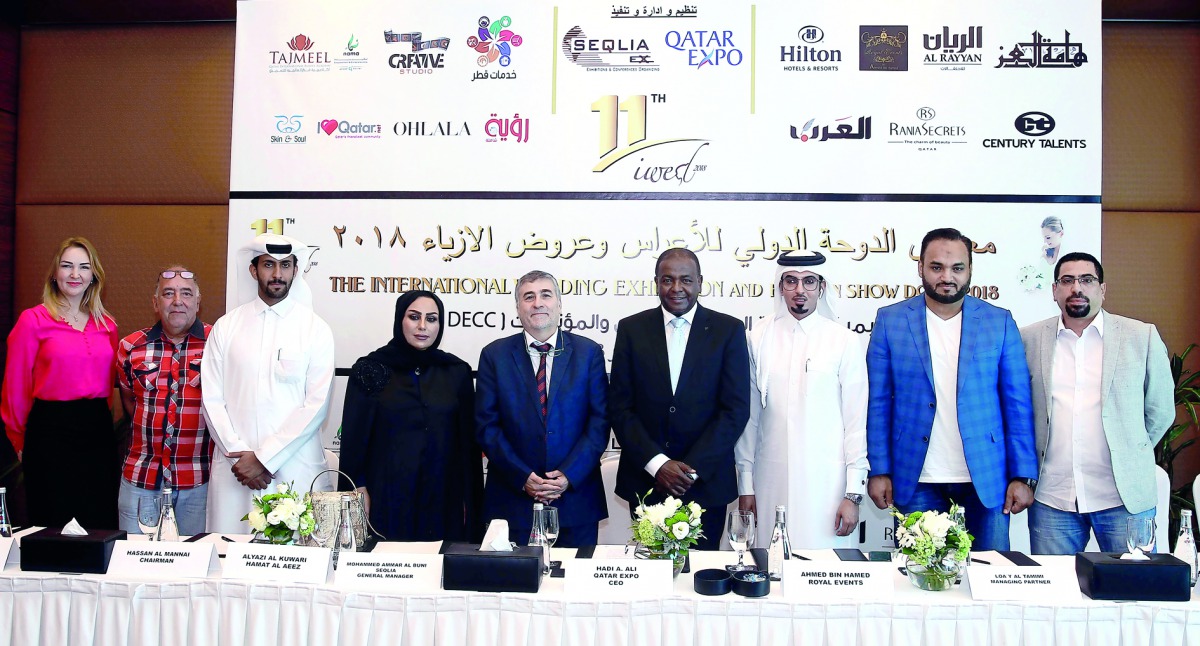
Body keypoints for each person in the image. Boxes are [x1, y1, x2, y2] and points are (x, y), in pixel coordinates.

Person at [866, 227, 1038, 551]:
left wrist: (1023, 475)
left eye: (957, 268)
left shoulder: (999, 322)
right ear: (920, 268)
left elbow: (1017, 404)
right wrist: (880, 469)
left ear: (970, 270)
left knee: (989, 582)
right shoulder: (890, 321)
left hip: (987, 478)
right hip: (915, 478)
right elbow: (878, 404)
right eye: (936, 267)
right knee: (922, 582)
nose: (947, 276)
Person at [1020, 252, 1174, 553]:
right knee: (1057, 595)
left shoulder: (1140, 336)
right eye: (1067, 280)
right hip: (1053, 499)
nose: (1077, 288)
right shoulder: (1029, 339)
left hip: (1123, 498)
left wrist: (1130, 447)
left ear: (1102, 289)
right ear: (1054, 290)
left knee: (1133, 594)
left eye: (1087, 280)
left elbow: (1161, 409)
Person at [609, 248, 750, 550]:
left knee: (700, 581)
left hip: (706, 485)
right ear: (656, 283)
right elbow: (621, 407)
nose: (676, 288)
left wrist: (690, 470)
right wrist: (659, 465)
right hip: (647, 482)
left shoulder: (729, 330)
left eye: (685, 280)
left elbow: (735, 410)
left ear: (700, 282)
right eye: (667, 280)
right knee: (652, 578)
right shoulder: (632, 329)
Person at [201, 233, 334, 533]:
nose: (277, 274)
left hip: (294, 468)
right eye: (268, 265)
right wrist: (241, 456)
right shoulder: (226, 326)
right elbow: (211, 400)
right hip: (237, 471)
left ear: (295, 272)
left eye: (285, 265)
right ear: (253, 270)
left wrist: (264, 458)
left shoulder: (316, 330)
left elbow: (316, 406)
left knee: (295, 565)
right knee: (230, 560)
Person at [735, 251, 868, 548]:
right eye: (791, 281)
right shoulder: (758, 337)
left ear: (822, 287)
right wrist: (746, 485)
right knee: (770, 569)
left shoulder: (843, 340)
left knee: (823, 573)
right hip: (770, 480)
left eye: (809, 282)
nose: (799, 291)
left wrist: (852, 493)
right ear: (780, 286)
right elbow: (749, 420)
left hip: (827, 484)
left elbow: (856, 422)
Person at [475, 271, 608, 546]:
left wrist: (568, 476)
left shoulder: (589, 353)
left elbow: (599, 422)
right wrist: (524, 477)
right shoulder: (494, 355)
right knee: (512, 588)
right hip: (513, 504)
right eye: (529, 297)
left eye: (546, 295)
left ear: (559, 304)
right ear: (518, 308)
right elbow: (487, 426)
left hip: (575, 502)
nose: (538, 303)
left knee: (575, 587)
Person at [339, 290, 483, 541]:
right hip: (387, 495)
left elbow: (468, 447)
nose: (422, 326)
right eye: (414, 317)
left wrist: (468, 502)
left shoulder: (456, 372)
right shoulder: (371, 369)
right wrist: (357, 489)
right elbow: (354, 441)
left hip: (442, 497)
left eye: (431, 319)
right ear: (399, 320)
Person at [2, 237, 120, 528]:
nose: (75, 274)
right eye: (67, 266)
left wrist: (102, 424)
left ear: (94, 275)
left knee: (99, 521)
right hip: (50, 431)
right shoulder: (33, 320)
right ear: (55, 273)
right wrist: (19, 439)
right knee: (52, 521)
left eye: (83, 267)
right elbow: (15, 387)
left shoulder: (107, 324)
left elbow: (108, 386)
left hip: (97, 431)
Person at [116, 267, 213, 535]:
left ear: (198, 300)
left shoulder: (218, 344)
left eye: (186, 293)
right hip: (141, 479)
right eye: (168, 293)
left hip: (198, 481)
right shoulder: (130, 347)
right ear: (155, 302)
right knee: (133, 565)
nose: (177, 301)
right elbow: (130, 404)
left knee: (193, 568)